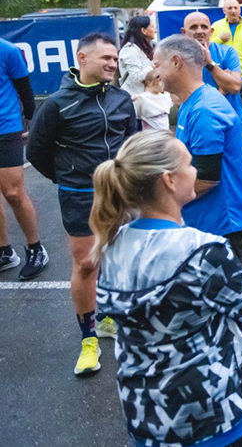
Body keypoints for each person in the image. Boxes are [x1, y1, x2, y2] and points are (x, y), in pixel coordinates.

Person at [92, 130, 242, 447]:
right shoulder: (202, 251)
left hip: (147, 418)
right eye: (189, 164)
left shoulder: (111, 245)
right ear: (169, 180)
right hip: (213, 418)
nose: (196, 172)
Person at [154, 34, 242, 388]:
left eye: (158, 64)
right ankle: (239, 362)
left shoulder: (205, 109)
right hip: (209, 221)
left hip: (221, 224)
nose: (155, 72)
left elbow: (206, 179)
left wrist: (158, 205)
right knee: (221, 303)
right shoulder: (194, 103)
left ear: (176, 62)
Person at [27, 32, 139, 376]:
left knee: (116, 259)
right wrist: (70, 178)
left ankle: (106, 318)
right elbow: (37, 154)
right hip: (78, 195)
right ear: (82, 59)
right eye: (105, 58)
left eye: (115, 59)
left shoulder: (121, 99)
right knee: (87, 265)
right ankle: (88, 339)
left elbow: (131, 145)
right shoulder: (57, 104)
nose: (112, 64)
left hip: (118, 194)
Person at [182, 11, 242, 255]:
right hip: (200, 126)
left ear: (212, 31)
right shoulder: (180, 59)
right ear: (184, 33)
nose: (200, 30)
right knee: (205, 174)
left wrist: (210, 64)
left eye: (204, 26)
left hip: (235, 126)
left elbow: (235, 85)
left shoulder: (226, 53)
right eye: (194, 27)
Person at [0, 37, 47, 281]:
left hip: (5, 129)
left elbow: (26, 91)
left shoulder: (7, 50)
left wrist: (33, 123)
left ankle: (36, 248)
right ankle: (5, 252)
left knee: (13, 193)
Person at [117, 15, 157, 96]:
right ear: (143, 30)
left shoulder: (144, 48)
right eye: (152, 27)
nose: (155, 30)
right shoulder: (130, 50)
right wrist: (153, 65)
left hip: (146, 98)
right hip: (134, 100)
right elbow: (136, 77)